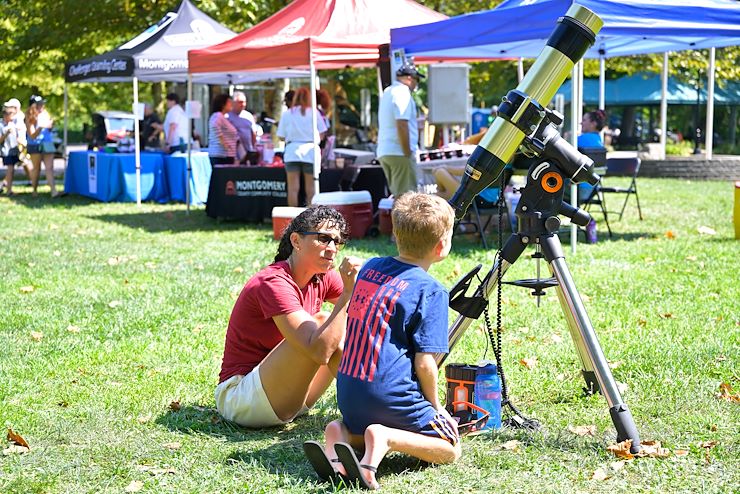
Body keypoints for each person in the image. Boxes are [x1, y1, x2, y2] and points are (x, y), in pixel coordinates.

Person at [304, 192, 461, 490]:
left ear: (396, 235)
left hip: (350, 397)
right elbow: (425, 362)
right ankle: (386, 437)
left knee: (367, 422)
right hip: (389, 399)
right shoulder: (432, 291)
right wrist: (436, 406)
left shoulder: (371, 268)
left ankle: (341, 432)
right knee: (450, 446)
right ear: (442, 246)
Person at [215, 206, 362, 428]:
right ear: (296, 241)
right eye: (324, 239)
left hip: (289, 399)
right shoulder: (274, 282)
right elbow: (319, 351)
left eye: (337, 242)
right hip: (241, 400)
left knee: (349, 328)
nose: (332, 248)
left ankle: (378, 406)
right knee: (323, 324)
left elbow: (368, 309)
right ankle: (369, 413)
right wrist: (347, 296)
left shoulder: (323, 277)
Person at [377, 63, 423, 197]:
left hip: (385, 151)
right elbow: (402, 124)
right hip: (399, 152)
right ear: (409, 78)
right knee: (408, 200)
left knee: (399, 198)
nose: (416, 84)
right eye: (417, 80)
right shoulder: (403, 92)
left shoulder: (388, 91)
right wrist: (407, 152)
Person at [276, 87, 328, 207]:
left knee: (293, 188)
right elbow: (322, 132)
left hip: (292, 151)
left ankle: (292, 218)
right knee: (311, 188)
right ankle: (311, 218)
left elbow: (281, 136)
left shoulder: (287, 114)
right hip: (310, 152)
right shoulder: (314, 113)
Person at [26, 95, 58, 197]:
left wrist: (50, 126)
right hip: (35, 145)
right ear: (33, 106)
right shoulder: (29, 116)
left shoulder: (45, 114)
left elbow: (49, 129)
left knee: (49, 168)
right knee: (37, 169)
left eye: (42, 104)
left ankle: (54, 191)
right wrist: (40, 127)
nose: (42, 106)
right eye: (39, 104)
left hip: (47, 143)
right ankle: (34, 190)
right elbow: (32, 135)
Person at [575, 110, 608, 202]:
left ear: (593, 123)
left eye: (584, 120)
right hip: (590, 190)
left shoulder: (579, 140)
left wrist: (567, 136)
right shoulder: (598, 141)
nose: (581, 123)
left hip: (575, 189)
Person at [207, 93, 237, 166]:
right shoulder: (218, 116)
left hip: (225, 155)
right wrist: (224, 144)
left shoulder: (224, 117)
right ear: (223, 104)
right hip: (221, 155)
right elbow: (214, 125)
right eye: (229, 102)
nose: (231, 104)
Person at [229, 91, 255, 164]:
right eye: (240, 102)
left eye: (244, 102)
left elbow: (253, 133)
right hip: (233, 153)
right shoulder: (227, 116)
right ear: (233, 103)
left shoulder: (248, 116)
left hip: (248, 151)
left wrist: (253, 147)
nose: (243, 104)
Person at [0, 108, 22, 195]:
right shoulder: (1, 125)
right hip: (6, 151)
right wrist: (6, 134)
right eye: (12, 114)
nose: (13, 117)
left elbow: (16, 137)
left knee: (12, 170)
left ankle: (6, 186)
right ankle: (8, 190)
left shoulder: (13, 124)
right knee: (10, 169)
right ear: (6, 115)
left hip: (14, 150)